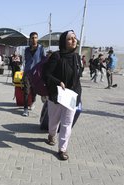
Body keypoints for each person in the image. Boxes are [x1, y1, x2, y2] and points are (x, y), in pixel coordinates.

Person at [42, 30, 82, 160]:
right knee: (54, 120)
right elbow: (46, 74)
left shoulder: (76, 57)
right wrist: (58, 82)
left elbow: (78, 76)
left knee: (67, 123)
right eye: (70, 39)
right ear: (64, 42)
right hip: (57, 94)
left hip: (72, 95)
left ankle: (62, 149)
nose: (74, 40)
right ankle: (51, 135)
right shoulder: (56, 56)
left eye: (75, 38)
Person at [22, 32, 45, 116]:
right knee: (26, 91)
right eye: (32, 38)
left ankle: (33, 101)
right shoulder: (27, 49)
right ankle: (25, 109)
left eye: (35, 37)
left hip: (36, 73)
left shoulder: (41, 48)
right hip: (27, 72)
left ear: (37, 39)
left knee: (34, 90)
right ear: (30, 39)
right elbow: (26, 60)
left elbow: (44, 60)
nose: (34, 39)